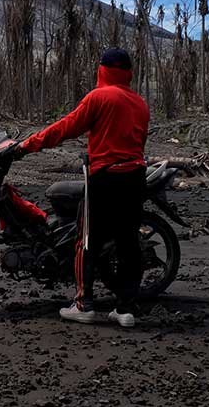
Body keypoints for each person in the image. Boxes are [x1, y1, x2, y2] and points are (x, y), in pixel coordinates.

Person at [15, 48, 150, 328]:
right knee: (128, 243)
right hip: (135, 177)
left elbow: (65, 127)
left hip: (105, 178)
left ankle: (83, 304)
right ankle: (126, 309)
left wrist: (28, 145)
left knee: (87, 241)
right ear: (128, 73)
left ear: (102, 70)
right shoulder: (140, 103)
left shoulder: (98, 97)